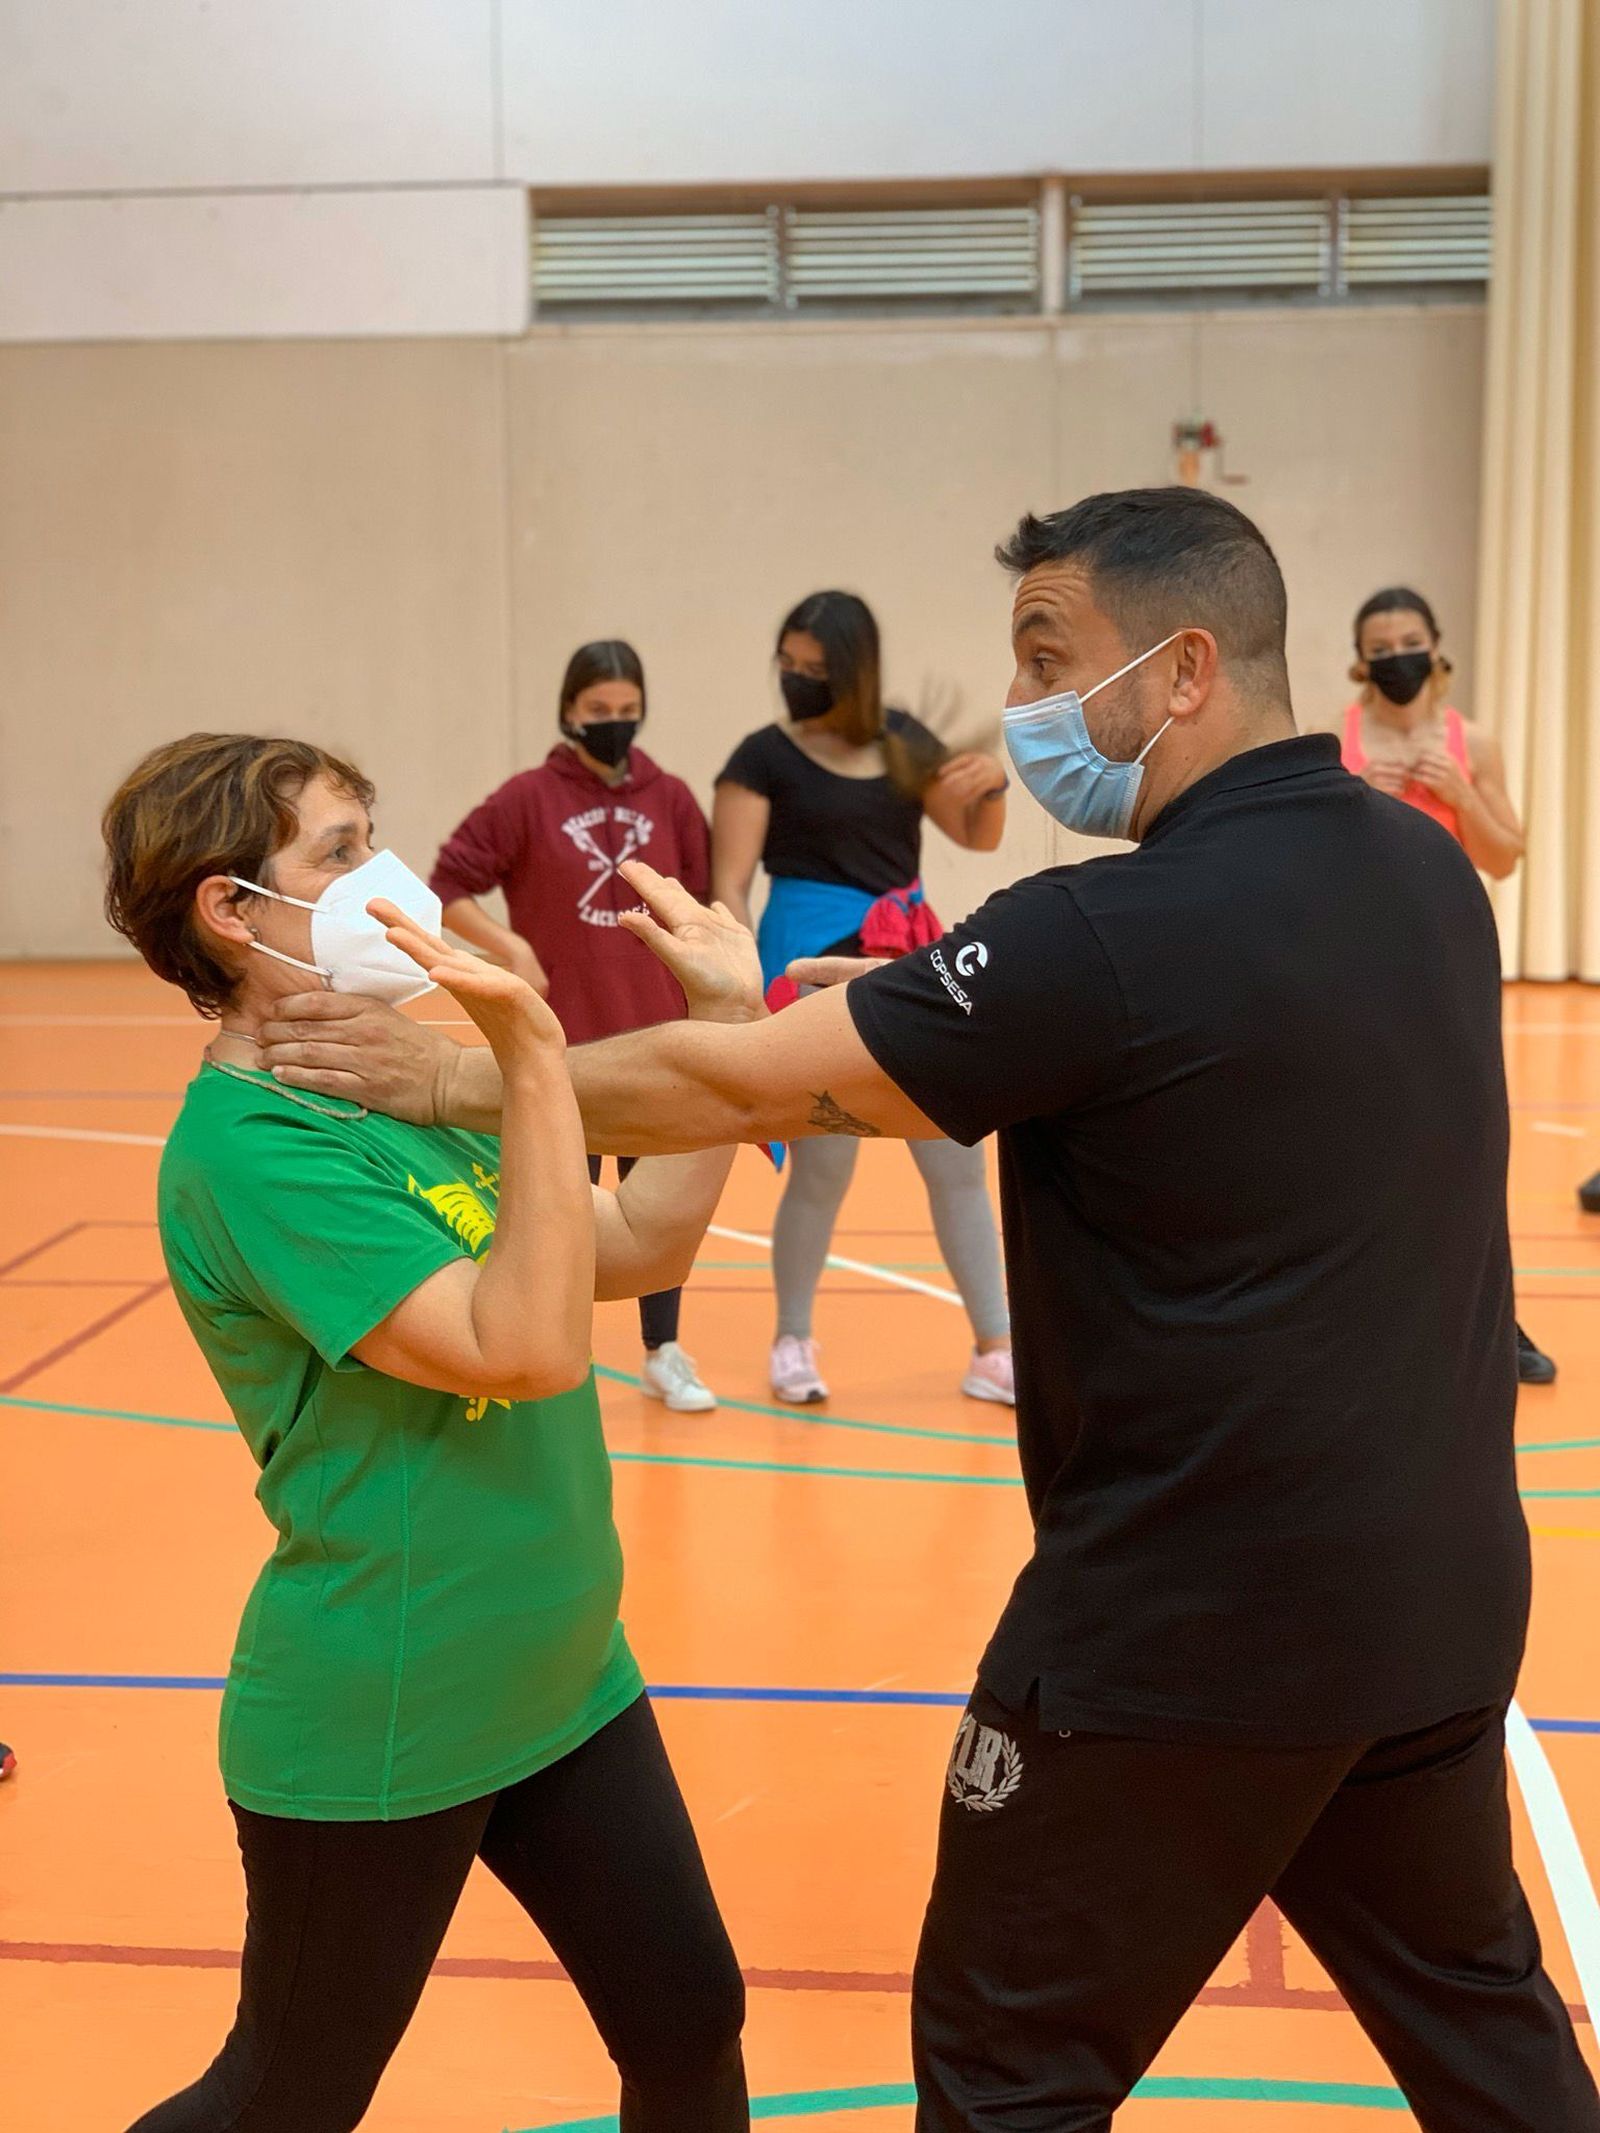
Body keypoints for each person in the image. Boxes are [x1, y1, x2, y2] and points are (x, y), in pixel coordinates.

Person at [264, 489, 1600, 2132]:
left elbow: (726, 1072)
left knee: (1007, 2080)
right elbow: (1185, 1058)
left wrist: (476, 1073)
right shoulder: (1420, 873)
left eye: (1052, 658)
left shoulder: (1103, 936)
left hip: (1182, 1640)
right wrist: (914, 1011)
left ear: (1183, 668)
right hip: (1439, 1599)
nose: (1027, 707)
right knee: (1494, 2046)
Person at [103, 733, 748, 2133]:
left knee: (690, 2024)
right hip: (390, 1698)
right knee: (284, 2094)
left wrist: (729, 1026)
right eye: (338, 853)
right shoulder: (252, 1150)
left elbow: (631, 1237)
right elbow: (524, 1347)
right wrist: (523, 1039)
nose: (381, 874)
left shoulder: (395, 1079)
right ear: (230, 909)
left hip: (564, 1667)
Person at [713, 590, 1015, 1406]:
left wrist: (991, 786)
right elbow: (729, 883)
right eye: (789, 664)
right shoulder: (760, 757)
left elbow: (976, 831)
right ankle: (793, 1338)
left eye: (816, 669)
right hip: (807, 967)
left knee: (955, 1153)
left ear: (856, 671)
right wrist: (742, 988)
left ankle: (995, 1345)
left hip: (909, 959)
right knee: (824, 1163)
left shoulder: (906, 742)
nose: (798, 680)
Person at [430, 639, 719, 1413]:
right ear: (569, 711)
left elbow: (700, 905)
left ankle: (664, 1350)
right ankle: (562, 1348)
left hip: (658, 1040)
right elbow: (449, 881)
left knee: (655, 1209)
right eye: (599, 713)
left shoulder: (674, 799)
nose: (614, 726)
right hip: (564, 1048)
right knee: (557, 1207)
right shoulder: (526, 798)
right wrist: (507, 944)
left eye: (627, 713)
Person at [1341, 587, 1556, 1388]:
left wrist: (1461, 795)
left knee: (1471, 1141)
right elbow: (1317, 856)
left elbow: (1506, 854)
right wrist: (1371, 800)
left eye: (1410, 638)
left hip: (1453, 957)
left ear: (1436, 646)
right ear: (1361, 660)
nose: (1397, 653)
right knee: (1371, 1139)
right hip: (1363, 961)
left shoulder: (1475, 740)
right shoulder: (1342, 737)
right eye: (1381, 642)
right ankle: (1374, 1317)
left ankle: (1496, 1320)